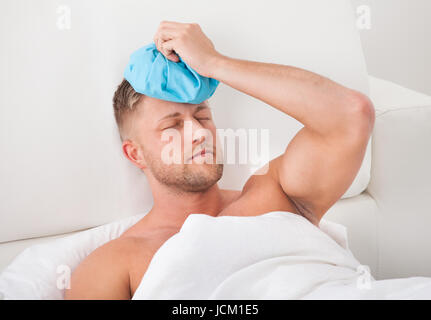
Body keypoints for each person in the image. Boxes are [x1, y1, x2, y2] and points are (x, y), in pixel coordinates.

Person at [65, 21, 375, 299]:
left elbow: (351, 114)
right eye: (173, 125)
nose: (200, 133)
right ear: (136, 154)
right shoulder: (116, 263)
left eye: (202, 115)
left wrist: (214, 63)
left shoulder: (275, 194)